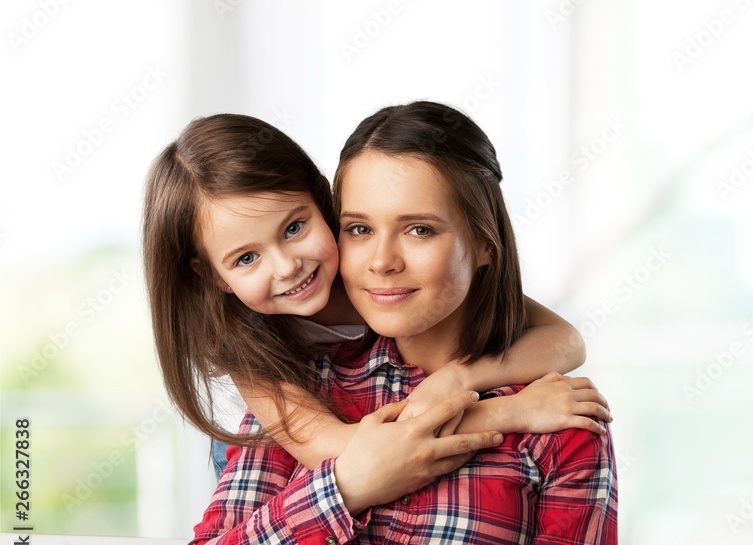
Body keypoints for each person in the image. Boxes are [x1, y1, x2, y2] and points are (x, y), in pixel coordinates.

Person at [172, 102, 618, 545]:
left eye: (420, 230)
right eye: (359, 228)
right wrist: (496, 415)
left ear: (484, 243)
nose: (381, 261)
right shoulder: (280, 373)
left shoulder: (559, 421)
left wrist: (457, 380)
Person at [141, 113, 610, 477]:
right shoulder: (241, 343)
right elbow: (334, 448)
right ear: (214, 276)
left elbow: (567, 341)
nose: (287, 267)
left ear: (322, 200)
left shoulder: (368, 268)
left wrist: (456, 380)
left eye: (294, 228)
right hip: (304, 445)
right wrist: (509, 411)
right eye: (246, 258)